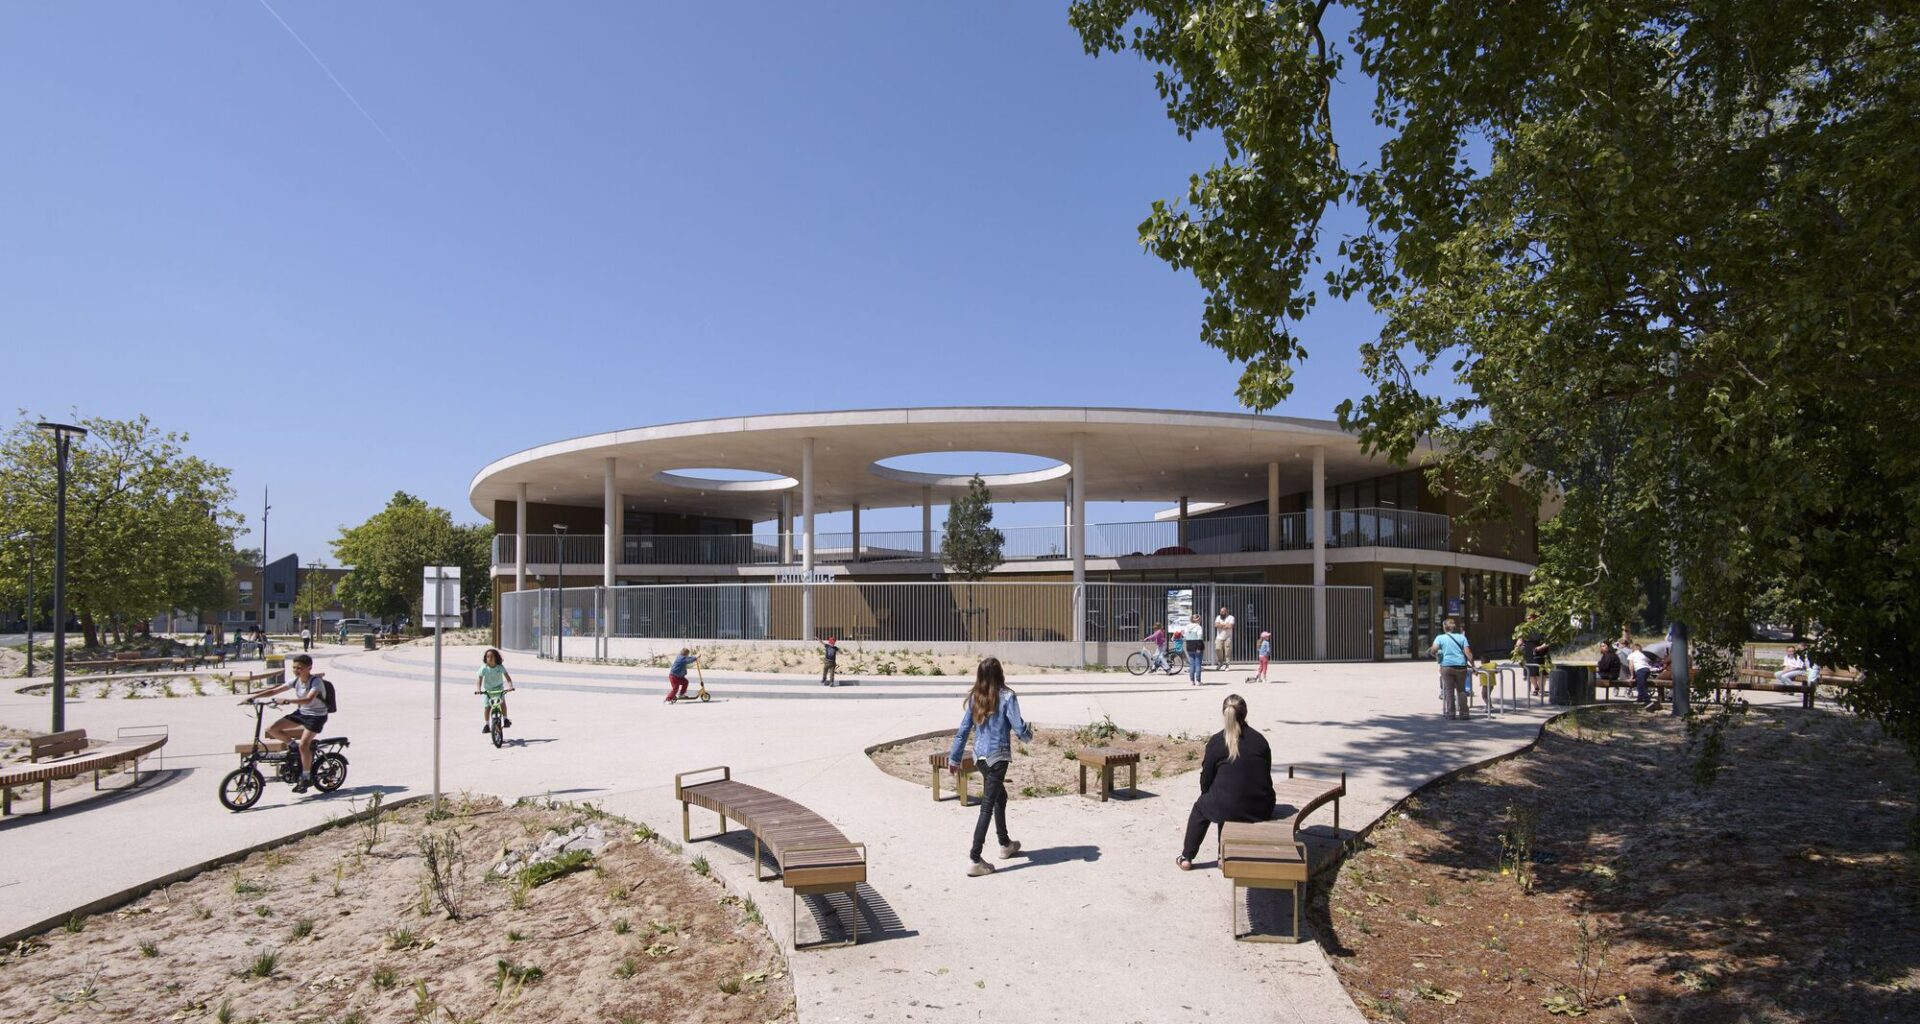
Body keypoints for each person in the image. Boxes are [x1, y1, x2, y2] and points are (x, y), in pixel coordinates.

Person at [947, 657, 1032, 877]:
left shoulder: (977, 697)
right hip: (998, 758)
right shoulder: (1007, 696)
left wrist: (955, 758)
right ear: (1000, 673)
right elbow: (1019, 728)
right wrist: (1027, 734)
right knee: (987, 805)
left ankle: (1005, 843)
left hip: (980, 758)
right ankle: (974, 858)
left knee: (1000, 797)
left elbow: (963, 729)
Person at [1176, 694, 1275, 870]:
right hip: (1259, 808)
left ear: (1224, 714)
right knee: (1226, 797)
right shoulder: (1260, 740)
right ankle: (1224, 856)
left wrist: (1206, 794)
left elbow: (1206, 776)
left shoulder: (1216, 741)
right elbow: (1265, 774)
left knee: (1206, 806)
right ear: (1245, 713)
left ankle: (1187, 857)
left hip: (1228, 806)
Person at [245, 653, 330, 793]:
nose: (296, 670)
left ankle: (306, 776)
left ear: (309, 668)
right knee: (272, 729)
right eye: (294, 667)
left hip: (316, 716)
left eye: (299, 668)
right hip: (302, 713)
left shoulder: (316, 682)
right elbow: (273, 690)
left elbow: (308, 700)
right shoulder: (295, 681)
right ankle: (292, 745)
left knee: (304, 744)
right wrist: (253, 697)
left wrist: (287, 700)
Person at [1429, 617, 1474, 720]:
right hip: (1461, 666)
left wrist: (1437, 655)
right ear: (1453, 627)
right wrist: (1473, 665)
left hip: (1446, 666)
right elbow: (1468, 653)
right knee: (1461, 690)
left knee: (1449, 691)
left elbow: (1433, 650)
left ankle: (1451, 713)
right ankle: (1464, 713)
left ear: (1444, 627)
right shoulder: (1462, 637)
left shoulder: (1440, 638)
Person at [475, 647, 514, 731]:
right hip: (488, 690)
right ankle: (486, 724)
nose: (490, 658)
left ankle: (505, 719)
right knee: (487, 707)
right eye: (488, 657)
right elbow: (479, 679)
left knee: (502, 703)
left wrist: (510, 686)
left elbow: (508, 678)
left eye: (492, 656)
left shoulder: (500, 667)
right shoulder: (484, 668)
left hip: (499, 688)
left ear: (496, 658)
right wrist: (478, 689)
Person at [1626, 642, 1654, 708]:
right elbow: (1647, 662)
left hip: (1640, 670)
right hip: (1647, 670)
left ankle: (1648, 701)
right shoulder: (1642, 655)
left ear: (1633, 648)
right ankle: (1639, 699)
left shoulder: (1632, 655)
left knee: (1641, 686)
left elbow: (1631, 665)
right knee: (1640, 684)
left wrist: (1632, 675)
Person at [1183, 618, 1206, 685]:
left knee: (1192, 664)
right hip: (1197, 646)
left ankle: (1191, 681)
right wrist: (1199, 647)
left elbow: (1185, 637)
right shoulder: (1198, 627)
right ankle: (1198, 681)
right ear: (1197, 620)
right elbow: (1199, 637)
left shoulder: (1186, 627)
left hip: (1189, 646)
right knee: (1198, 664)